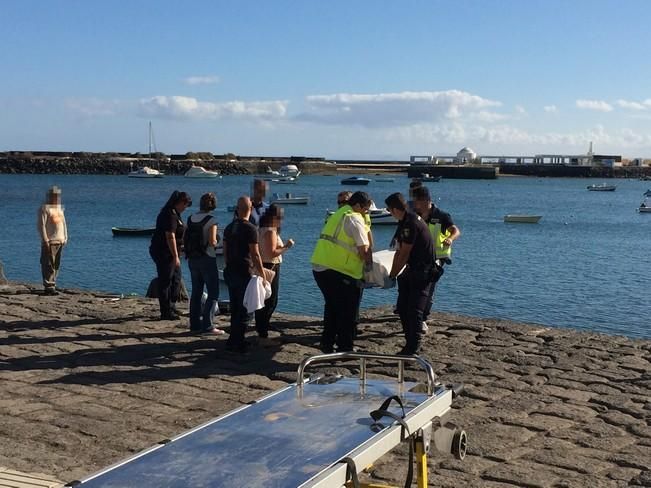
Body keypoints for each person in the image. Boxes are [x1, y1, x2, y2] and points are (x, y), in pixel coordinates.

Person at [311, 191, 372, 353]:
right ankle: (345, 346)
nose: (366, 213)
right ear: (358, 205)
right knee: (348, 309)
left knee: (332, 306)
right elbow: (364, 249)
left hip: (321, 266)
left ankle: (327, 342)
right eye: (365, 209)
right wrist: (370, 268)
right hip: (339, 270)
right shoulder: (354, 218)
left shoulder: (338, 214)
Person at [385, 192, 436, 356]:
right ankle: (409, 342)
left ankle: (413, 346)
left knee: (414, 310)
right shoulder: (405, 221)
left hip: (422, 271)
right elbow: (397, 252)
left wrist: (392, 275)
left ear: (393, 209)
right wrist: (393, 273)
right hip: (410, 270)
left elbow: (404, 253)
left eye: (389, 210)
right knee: (402, 307)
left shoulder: (410, 223)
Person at [411, 186, 461, 332]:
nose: (416, 204)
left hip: (437, 258)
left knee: (429, 288)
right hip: (417, 256)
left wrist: (451, 239)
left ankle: (423, 318)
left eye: (418, 201)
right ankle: (411, 313)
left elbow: (456, 230)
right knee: (413, 285)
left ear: (427, 200)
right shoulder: (415, 214)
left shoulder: (442, 215)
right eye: (415, 201)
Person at [222, 196, 267, 354]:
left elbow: (225, 251)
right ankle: (238, 342)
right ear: (251, 209)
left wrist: (228, 266)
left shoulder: (229, 227)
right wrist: (262, 274)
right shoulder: (250, 228)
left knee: (235, 307)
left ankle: (232, 340)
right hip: (244, 271)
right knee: (246, 309)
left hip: (230, 271)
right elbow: (255, 254)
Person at [185, 192, 224, 335]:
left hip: (193, 259)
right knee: (213, 292)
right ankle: (208, 325)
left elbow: (185, 238)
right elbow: (212, 241)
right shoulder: (212, 220)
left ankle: (194, 325)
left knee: (196, 292)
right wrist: (220, 241)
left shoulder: (190, 219)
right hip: (207, 258)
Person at [149, 191, 192, 320]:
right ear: (179, 203)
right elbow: (170, 236)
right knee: (166, 280)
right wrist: (175, 256)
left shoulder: (176, 214)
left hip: (173, 252)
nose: (186, 208)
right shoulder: (169, 215)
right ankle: (165, 311)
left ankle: (171, 306)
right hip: (164, 252)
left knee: (176, 279)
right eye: (185, 204)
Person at [254, 204, 294, 341]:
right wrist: (286, 247)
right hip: (271, 266)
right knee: (271, 299)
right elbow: (272, 253)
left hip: (263, 265)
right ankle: (262, 329)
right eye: (280, 218)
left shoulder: (261, 229)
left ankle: (262, 325)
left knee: (264, 297)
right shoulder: (270, 231)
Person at [37, 186, 67, 295]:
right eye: (54, 195)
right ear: (49, 196)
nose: (56, 198)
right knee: (47, 263)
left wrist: (65, 237)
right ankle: (48, 286)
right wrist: (45, 239)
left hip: (60, 241)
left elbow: (63, 224)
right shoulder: (44, 208)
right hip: (50, 241)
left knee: (56, 264)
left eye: (58, 196)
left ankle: (53, 283)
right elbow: (41, 225)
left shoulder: (59, 208)